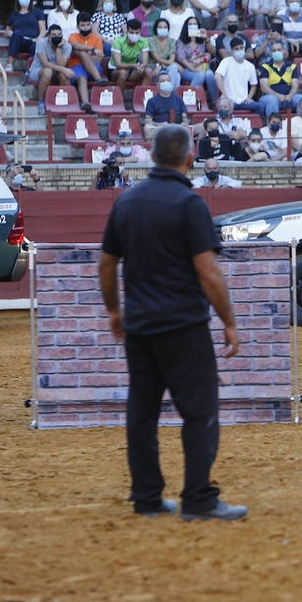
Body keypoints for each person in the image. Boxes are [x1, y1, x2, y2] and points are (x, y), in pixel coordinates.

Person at [99, 127, 246, 522]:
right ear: (189, 159)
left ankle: (146, 497)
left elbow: (107, 264)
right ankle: (197, 498)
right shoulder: (189, 203)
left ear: (152, 156)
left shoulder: (126, 202)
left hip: (141, 325)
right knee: (199, 412)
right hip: (183, 326)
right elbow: (208, 272)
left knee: (142, 413)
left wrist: (115, 311)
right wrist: (229, 322)